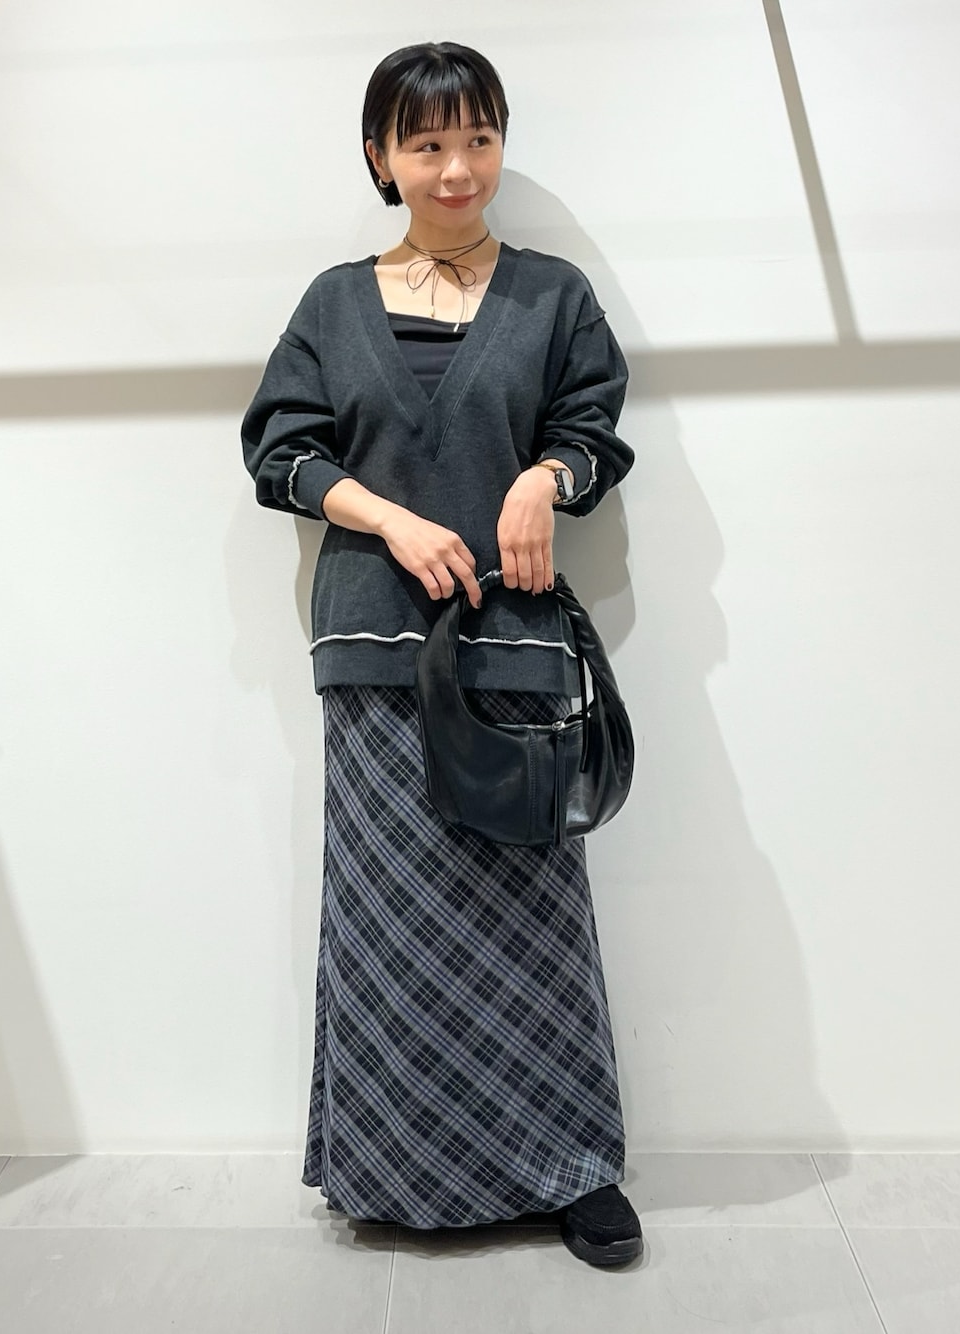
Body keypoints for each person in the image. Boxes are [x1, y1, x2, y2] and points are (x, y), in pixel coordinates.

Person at [241, 40, 640, 1267]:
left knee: (532, 915)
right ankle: (391, 1169)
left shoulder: (552, 295)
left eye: (478, 138)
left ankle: (573, 1167)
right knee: (388, 922)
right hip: (371, 644)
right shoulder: (332, 302)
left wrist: (542, 476)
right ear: (382, 157)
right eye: (427, 144)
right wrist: (392, 518)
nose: (457, 167)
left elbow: (593, 429)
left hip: (511, 644)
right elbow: (280, 452)